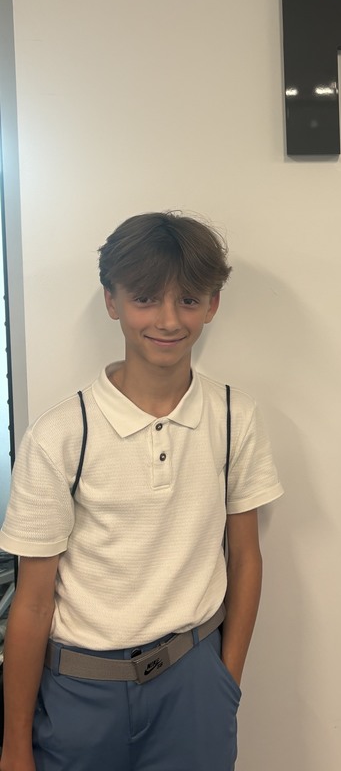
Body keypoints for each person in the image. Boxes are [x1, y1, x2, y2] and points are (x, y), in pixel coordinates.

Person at [0, 212, 283, 771]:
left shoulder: (234, 417)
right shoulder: (63, 433)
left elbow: (245, 556)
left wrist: (225, 680)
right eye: (147, 299)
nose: (169, 320)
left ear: (212, 305)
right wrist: (14, 746)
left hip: (194, 683)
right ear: (112, 301)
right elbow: (32, 602)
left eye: (189, 300)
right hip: (79, 692)